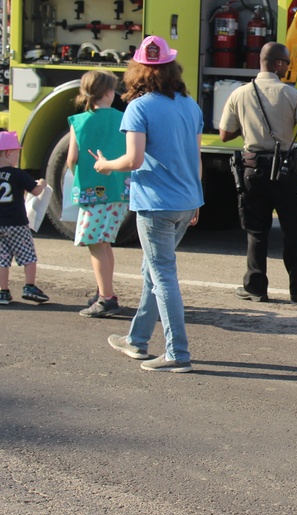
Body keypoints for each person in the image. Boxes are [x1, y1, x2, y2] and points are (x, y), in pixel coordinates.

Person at [95, 35, 203, 374]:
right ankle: (137, 341)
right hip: (186, 200)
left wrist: (105, 165)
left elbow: (133, 159)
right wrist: (197, 200)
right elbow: (195, 158)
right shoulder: (190, 105)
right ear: (172, 68)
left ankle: (177, 353)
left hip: (156, 204)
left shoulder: (139, 108)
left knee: (162, 276)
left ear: (136, 72)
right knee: (153, 273)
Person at [219, 42, 297, 304]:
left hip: (252, 169)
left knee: (256, 230)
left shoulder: (238, 94)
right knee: (293, 229)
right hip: (284, 170)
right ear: (278, 64)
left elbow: (224, 134)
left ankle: (255, 287)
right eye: (287, 63)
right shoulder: (291, 94)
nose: (288, 67)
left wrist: (249, 125)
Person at [66, 70, 130, 317]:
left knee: (94, 243)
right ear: (108, 92)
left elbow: (72, 159)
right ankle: (106, 291)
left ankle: (106, 298)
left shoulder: (79, 121)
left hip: (92, 192)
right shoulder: (122, 119)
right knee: (104, 242)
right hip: (119, 190)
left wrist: (81, 175)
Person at [0, 131, 49, 306]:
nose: (17, 157)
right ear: (8, 153)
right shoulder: (17, 174)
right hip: (17, 224)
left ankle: (3, 292)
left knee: (1, 260)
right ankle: (29, 287)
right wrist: (41, 183)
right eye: (16, 153)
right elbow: (36, 191)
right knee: (28, 256)